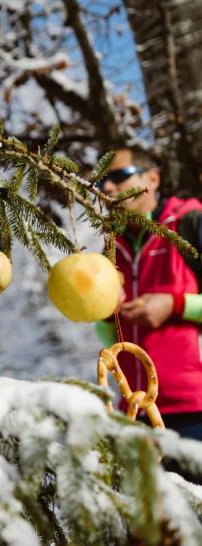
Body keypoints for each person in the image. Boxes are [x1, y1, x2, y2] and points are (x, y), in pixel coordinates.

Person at [94, 148, 202, 440]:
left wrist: (175, 304)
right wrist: (106, 316)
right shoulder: (111, 247)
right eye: (102, 180)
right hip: (135, 412)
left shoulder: (191, 224)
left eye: (118, 176)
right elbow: (111, 339)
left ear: (152, 179)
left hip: (195, 411)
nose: (107, 188)